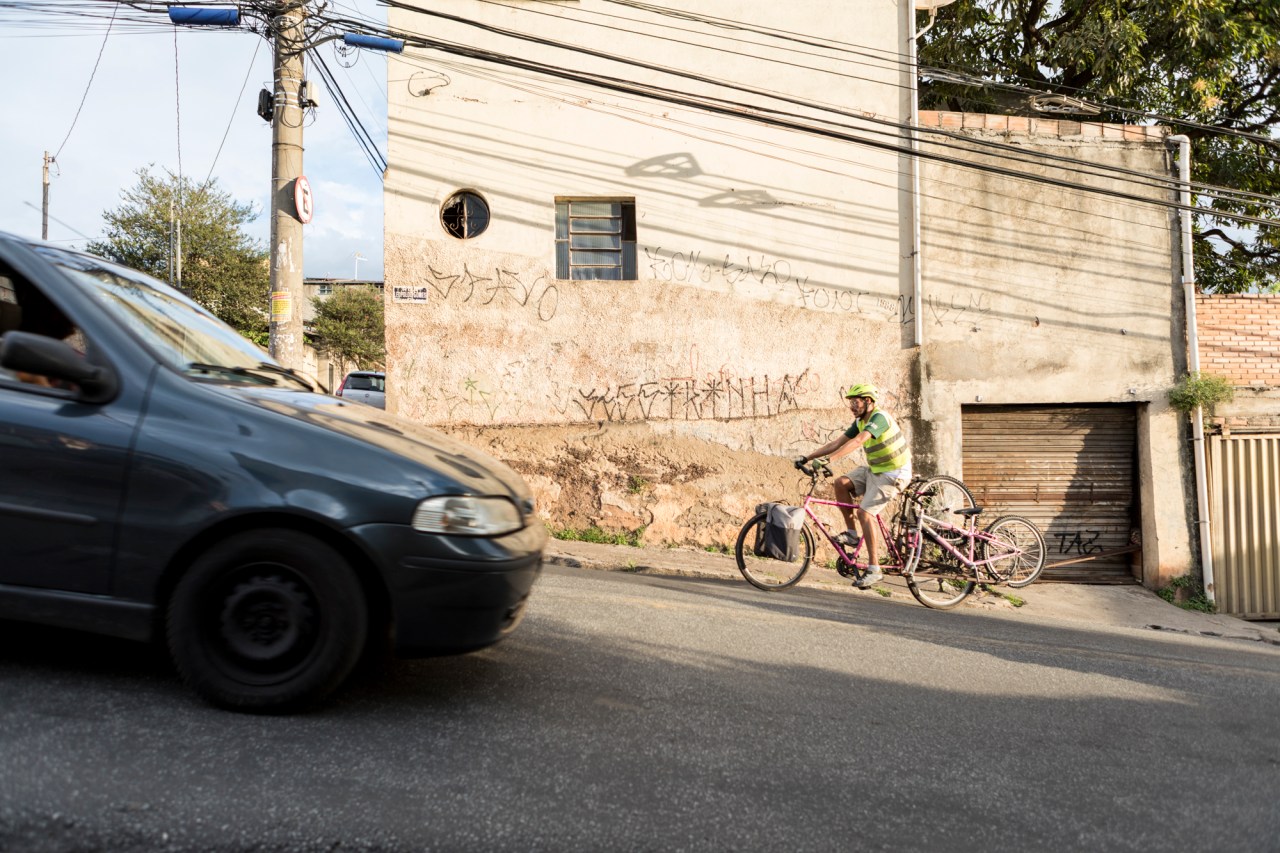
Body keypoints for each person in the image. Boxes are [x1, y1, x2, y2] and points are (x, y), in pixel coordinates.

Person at [792, 383, 912, 588]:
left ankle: (874, 569)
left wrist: (829, 460)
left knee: (865, 513)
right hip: (875, 470)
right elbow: (836, 443)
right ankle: (852, 534)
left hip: (894, 473)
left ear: (868, 401)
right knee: (841, 483)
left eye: (855, 402)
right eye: (850, 403)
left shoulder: (879, 418)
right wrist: (808, 457)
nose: (852, 407)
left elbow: (858, 442)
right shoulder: (860, 421)